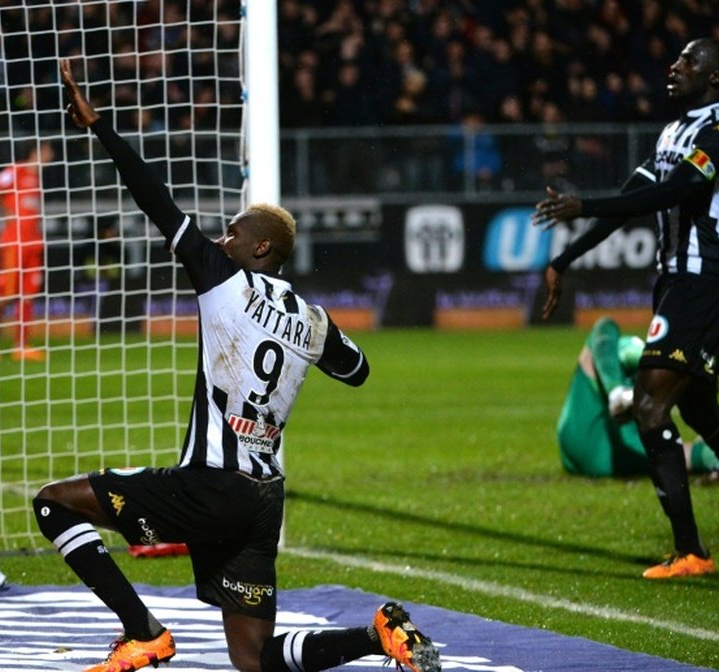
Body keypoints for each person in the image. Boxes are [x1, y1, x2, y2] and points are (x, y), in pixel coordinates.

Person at [32, 59, 442, 672]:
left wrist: (101, 127)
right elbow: (357, 370)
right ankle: (377, 636)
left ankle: (142, 631)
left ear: (259, 249)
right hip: (262, 500)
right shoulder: (313, 317)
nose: (220, 240)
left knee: (53, 503)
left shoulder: (223, 277)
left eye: (231, 232)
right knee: (252, 661)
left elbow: (154, 198)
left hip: (209, 486)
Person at [533, 38, 719, 579]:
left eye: (689, 61)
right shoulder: (670, 135)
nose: (675, 66)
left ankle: (691, 552)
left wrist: (583, 203)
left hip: (704, 280)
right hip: (676, 282)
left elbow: (674, 191)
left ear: (714, 79)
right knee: (700, 411)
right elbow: (631, 197)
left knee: (650, 406)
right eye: (677, 59)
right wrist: (564, 259)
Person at [558, 316, 719, 479]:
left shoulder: (635, 350)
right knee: (680, 454)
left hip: (575, 440)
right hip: (617, 457)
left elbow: (605, 331)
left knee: (605, 327)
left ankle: (616, 392)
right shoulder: (648, 358)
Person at [0, 139, 55, 363]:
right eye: (48, 150)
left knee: (28, 295)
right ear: (36, 151)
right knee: (7, 294)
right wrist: (5, 209)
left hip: (34, 243)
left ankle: (21, 346)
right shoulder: (16, 170)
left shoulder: (36, 179)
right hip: (14, 243)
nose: (51, 155)